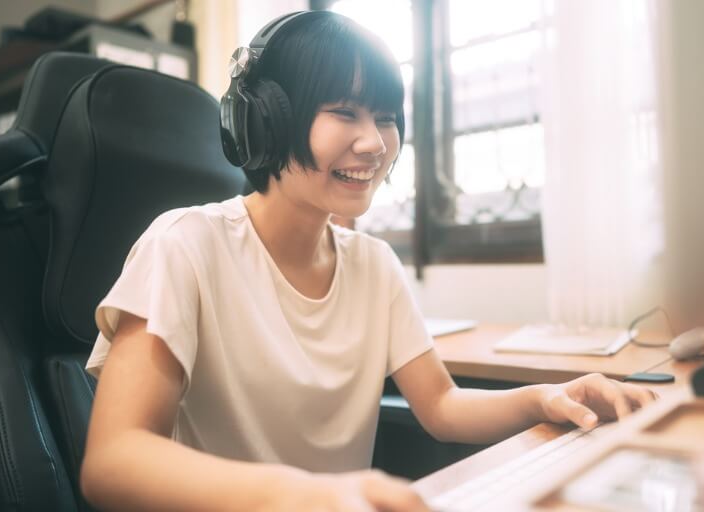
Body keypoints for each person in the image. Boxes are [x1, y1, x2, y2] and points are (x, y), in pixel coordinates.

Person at [80, 10, 656, 512]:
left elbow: (442, 406)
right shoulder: (183, 246)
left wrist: (547, 397)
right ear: (269, 121)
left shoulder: (374, 264)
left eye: (384, 116)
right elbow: (113, 460)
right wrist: (295, 496)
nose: (375, 142)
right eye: (344, 112)